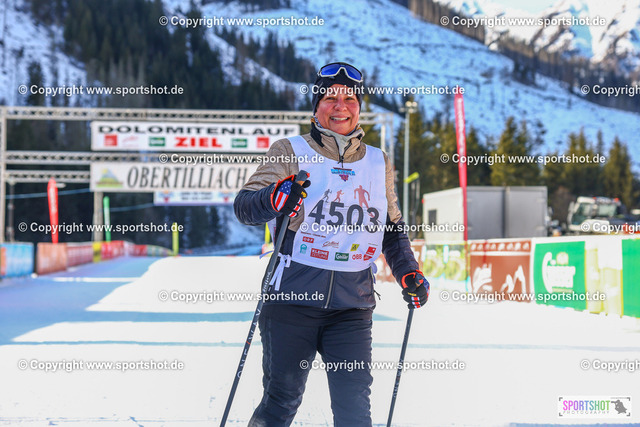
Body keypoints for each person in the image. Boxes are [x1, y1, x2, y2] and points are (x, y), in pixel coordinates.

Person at [234, 62, 429, 427]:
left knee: (355, 411)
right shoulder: (289, 150)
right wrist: (274, 197)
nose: (341, 106)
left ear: (359, 107)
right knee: (280, 402)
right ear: (316, 106)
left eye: (350, 98)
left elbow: (390, 229)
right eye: (330, 98)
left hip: (352, 308)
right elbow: (245, 206)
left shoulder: (378, 161)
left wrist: (409, 272)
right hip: (291, 303)